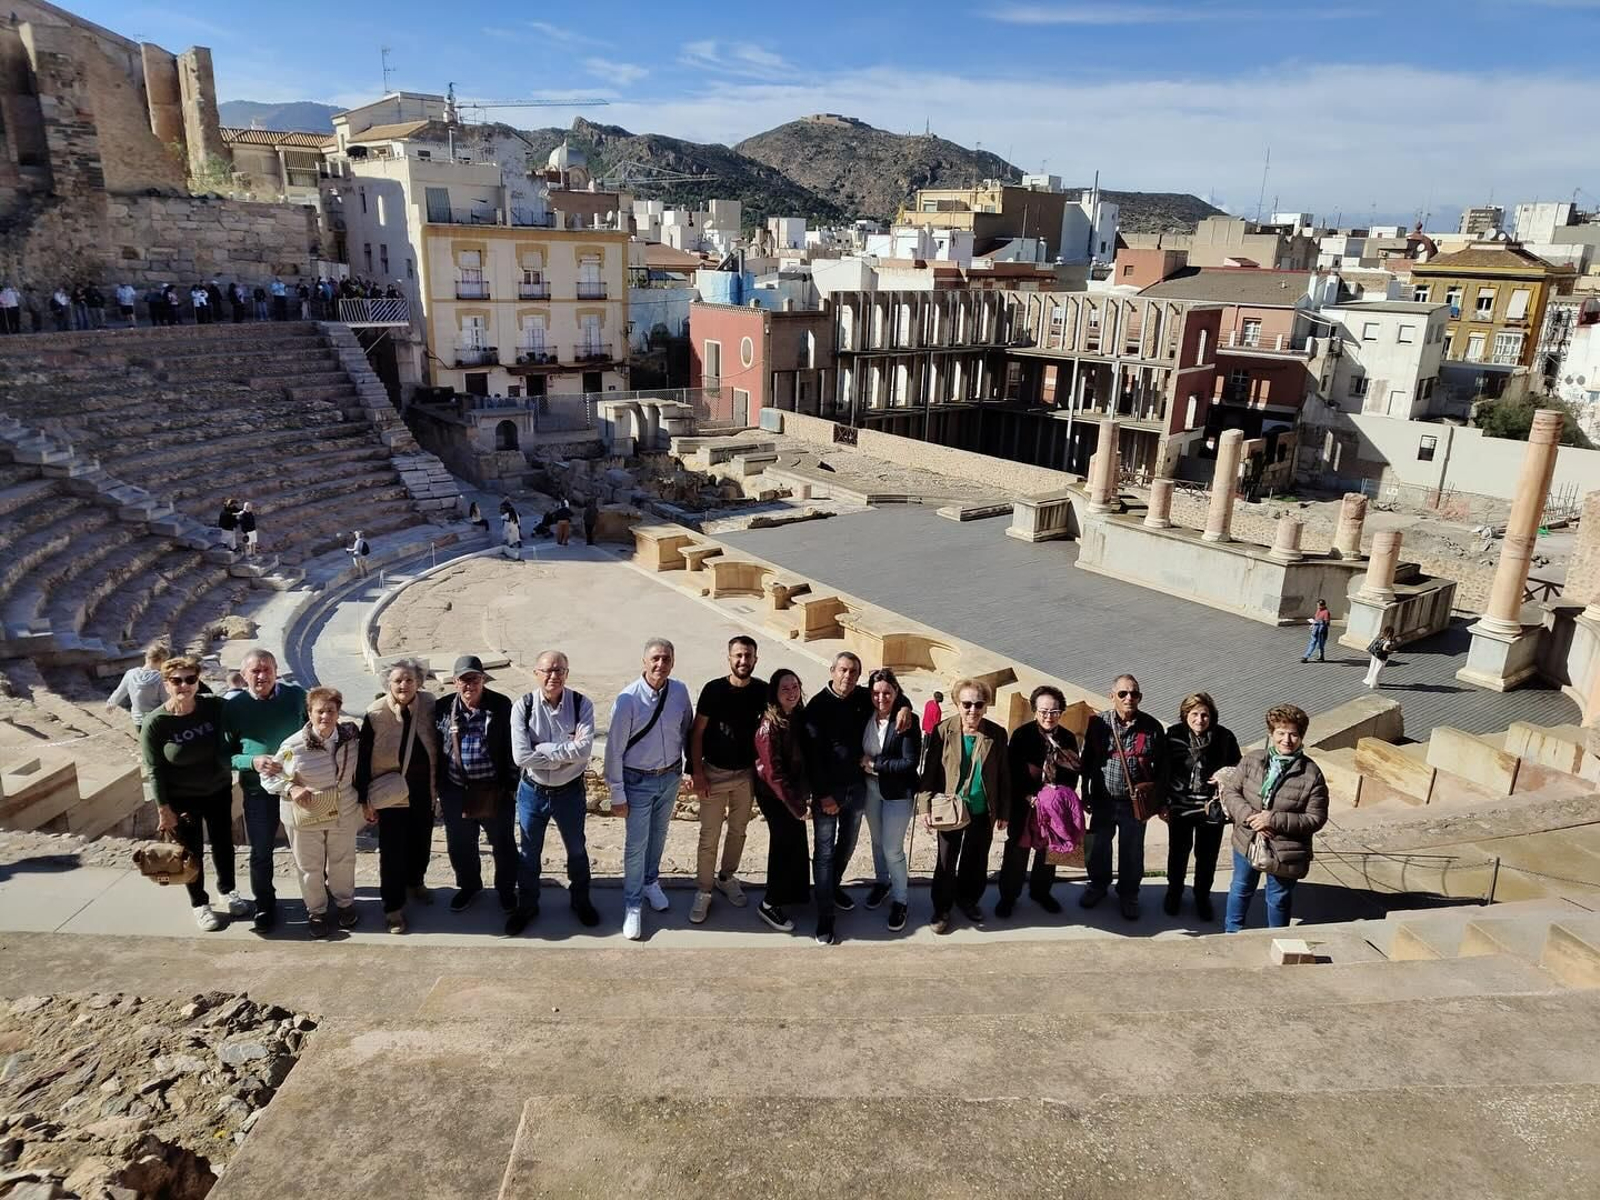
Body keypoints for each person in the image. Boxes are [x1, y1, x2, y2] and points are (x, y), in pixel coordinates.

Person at [803, 651, 914, 945]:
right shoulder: (817, 706)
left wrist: (906, 707)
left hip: (856, 789)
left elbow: (888, 695)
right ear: (832, 670)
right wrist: (823, 794)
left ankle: (832, 887)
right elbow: (812, 758)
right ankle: (825, 916)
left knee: (848, 844)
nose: (847, 676)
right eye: (843, 670)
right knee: (824, 853)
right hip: (828, 793)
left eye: (853, 672)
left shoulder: (861, 696)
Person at [141, 656, 250, 931]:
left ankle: (228, 891)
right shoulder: (156, 723)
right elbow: (154, 769)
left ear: (197, 681)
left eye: (190, 679)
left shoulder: (212, 706)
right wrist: (163, 808)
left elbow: (244, 712)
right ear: (166, 684)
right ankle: (200, 904)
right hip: (181, 798)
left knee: (224, 844)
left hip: (218, 790)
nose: (184, 685)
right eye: (176, 680)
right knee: (191, 852)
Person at [604, 637, 694, 942]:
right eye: (655, 659)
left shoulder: (680, 692)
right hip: (637, 780)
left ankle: (650, 881)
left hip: (669, 777)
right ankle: (632, 905)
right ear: (644, 662)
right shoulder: (627, 699)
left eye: (666, 659)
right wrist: (617, 792)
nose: (660, 665)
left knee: (659, 834)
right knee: (636, 845)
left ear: (673, 662)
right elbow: (614, 750)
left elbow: (686, 732)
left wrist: (686, 769)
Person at [507, 650, 600, 935]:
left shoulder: (581, 703)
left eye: (559, 670)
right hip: (533, 792)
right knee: (529, 853)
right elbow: (521, 756)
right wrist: (565, 753)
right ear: (536, 673)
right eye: (547, 670)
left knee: (577, 850)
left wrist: (545, 750)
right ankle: (527, 905)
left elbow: (585, 751)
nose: (553, 676)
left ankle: (580, 901)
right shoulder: (522, 706)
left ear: (567, 674)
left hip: (569, 792)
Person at [259, 687, 362, 938]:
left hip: (342, 811)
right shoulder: (294, 745)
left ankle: (345, 904)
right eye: (319, 711)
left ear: (338, 712)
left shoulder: (350, 739)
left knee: (343, 860)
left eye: (331, 711)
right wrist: (291, 787)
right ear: (309, 712)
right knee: (309, 866)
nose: (325, 716)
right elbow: (268, 777)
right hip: (306, 815)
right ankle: (316, 911)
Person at [1222, 704, 1329, 931]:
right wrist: (1252, 818)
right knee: (1241, 888)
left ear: (1301, 737)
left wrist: (1273, 820)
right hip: (1247, 839)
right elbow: (1231, 792)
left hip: (1286, 848)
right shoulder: (1252, 760)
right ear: (1271, 735)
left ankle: (1276, 938)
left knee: (1278, 898)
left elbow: (1316, 818)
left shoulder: (1311, 774)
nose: (1287, 740)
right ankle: (1231, 933)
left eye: (1293, 734)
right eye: (1281, 733)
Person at [222, 649, 307, 932]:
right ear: (244, 676)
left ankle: (316, 901)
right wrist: (252, 761)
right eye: (255, 671)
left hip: (298, 788)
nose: (261, 676)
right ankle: (265, 905)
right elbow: (223, 755)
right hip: (259, 794)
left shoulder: (296, 697)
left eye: (266, 669)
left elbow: (315, 732)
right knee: (261, 852)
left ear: (276, 671)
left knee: (309, 848)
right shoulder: (233, 708)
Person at [918, 677, 1010, 935]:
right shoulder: (942, 730)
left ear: (986, 706)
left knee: (977, 859)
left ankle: (968, 900)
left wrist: (1004, 811)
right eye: (967, 704)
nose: (973, 710)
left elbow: (1004, 775)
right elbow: (930, 771)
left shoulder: (997, 734)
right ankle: (942, 908)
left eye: (979, 704)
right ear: (957, 704)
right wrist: (924, 805)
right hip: (951, 809)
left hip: (982, 808)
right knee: (946, 862)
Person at [356, 658, 439, 934]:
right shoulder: (375, 714)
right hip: (390, 793)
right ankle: (393, 908)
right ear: (388, 684)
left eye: (409, 680)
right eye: (398, 681)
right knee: (392, 852)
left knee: (422, 840)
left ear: (418, 682)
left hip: (422, 788)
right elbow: (363, 757)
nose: (404, 685)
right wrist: (364, 800)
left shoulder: (428, 705)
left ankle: (416, 882)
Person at [688, 636, 767, 924]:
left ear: (756, 659)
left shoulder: (762, 690)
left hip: (745, 775)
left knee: (739, 831)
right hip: (714, 773)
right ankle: (704, 890)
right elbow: (697, 733)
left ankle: (726, 877)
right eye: (738, 656)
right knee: (709, 836)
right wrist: (697, 772)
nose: (743, 661)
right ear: (729, 658)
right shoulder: (713, 689)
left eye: (748, 656)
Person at [1078, 673, 1169, 921]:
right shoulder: (1098, 723)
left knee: (1131, 851)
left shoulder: (1152, 728)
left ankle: (1129, 894)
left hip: (1134, 804)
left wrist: (1160, 803)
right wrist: (1084, 791)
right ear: (1112, 696)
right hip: (1102, 799)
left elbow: (1162, 769)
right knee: (1097, 847)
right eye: (1123, 693)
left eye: (1134, 693)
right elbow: (1088, 760)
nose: (1129, 698)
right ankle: (1097, 885)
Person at [434, 655, 520, 914]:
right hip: (456, 790)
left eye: (475, 679)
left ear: (483, 680)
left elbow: (512, 745)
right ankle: (469, 887)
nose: (469, 685)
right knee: (460, 844)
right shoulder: (442, 708)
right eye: (464, 679)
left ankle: (506, 890)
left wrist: (511, 784)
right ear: (454, 682)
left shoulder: (501, 705)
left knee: (503, 843)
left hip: (495, 789)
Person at [997, 684, 1080, 919]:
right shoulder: (1022, 735)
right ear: (1035, 711)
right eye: (1043, 711)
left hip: (1053, 807)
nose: (1049, 717)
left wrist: (1057, 798)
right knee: (1017, 852)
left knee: (1049, 851)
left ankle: (1041, 891)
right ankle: (1008, 896)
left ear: (1061, 712)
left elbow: (1073, 771)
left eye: (1054, 712)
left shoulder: (1067, 738)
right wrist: (1030, 797)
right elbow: (1012, 771)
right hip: (1026, 805)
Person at [1161, 692, 1241, 921]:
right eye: (1194, 714)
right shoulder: (1174, 736)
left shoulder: (1224, 738)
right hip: (1181, 808)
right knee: (1178, 853)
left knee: (1207, 857)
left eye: (1204, 715)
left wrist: (1224, 776)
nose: (1199, 719)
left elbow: (1237, 768)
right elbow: (1164, 771)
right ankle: (1174, 893)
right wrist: (1163, 803)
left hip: (1211, 809)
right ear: (1185, 715)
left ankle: (1202, 897)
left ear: (1212, 716)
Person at [861, 668, 921, 933]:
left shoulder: (906, 720)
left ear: (896, 692)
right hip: (870, 790)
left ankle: (901, 900)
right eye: (876, 693)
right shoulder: (865, 713)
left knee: (892, 849)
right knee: (876, 841)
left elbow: (909, 763)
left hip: (897, 793)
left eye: (887, 692)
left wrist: (875, 764)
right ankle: (882, 882)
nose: (881, 697)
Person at [753, 667, 811, 933]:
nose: (791, 692)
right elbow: (773, 773)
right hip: (775, 795)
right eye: (785, 688)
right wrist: (797, 806)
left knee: (797, 842)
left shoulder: (797, 716)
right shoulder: (769, 725)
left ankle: (793, 896)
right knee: (783, 844)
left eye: (795, 686)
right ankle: (769, 903)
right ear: (775, 693)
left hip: (792, 793)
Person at [106, 641, 170, 728]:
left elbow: (120, 691)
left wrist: (111, 703)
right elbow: (166, 701)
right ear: (162, 661)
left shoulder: (130, 673)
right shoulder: (160, 678)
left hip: (138, 722)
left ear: (146, 657)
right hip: (156, 721)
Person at [1303, 600, 1332, 664]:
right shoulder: (1318, 610)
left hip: (1321, 632)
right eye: (1318, 605)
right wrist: (1312, 625)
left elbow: (1327, 623)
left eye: (1320, 605)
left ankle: (1321, 656)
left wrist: (1319, 623)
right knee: (1312, 643)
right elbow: (1316, 619)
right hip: (1315, 631)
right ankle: (1306, 657)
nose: (1318, 606)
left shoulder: (1326, 612)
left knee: (1320, 646)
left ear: (1324, 605)